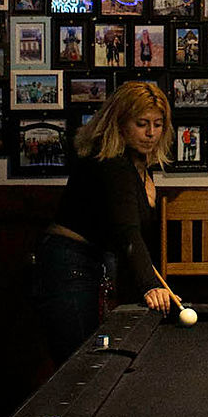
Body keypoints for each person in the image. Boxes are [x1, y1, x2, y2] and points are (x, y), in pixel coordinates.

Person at [30, 80, 174, 365]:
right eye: (142, 123)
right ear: (119, 121)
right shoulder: (113, 162)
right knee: (78, 364)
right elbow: (127, 230)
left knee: (90, 360)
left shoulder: (137, 163)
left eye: (158, 124)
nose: (151, 133)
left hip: (93, 262)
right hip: (67, 263)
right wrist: (150, 285)